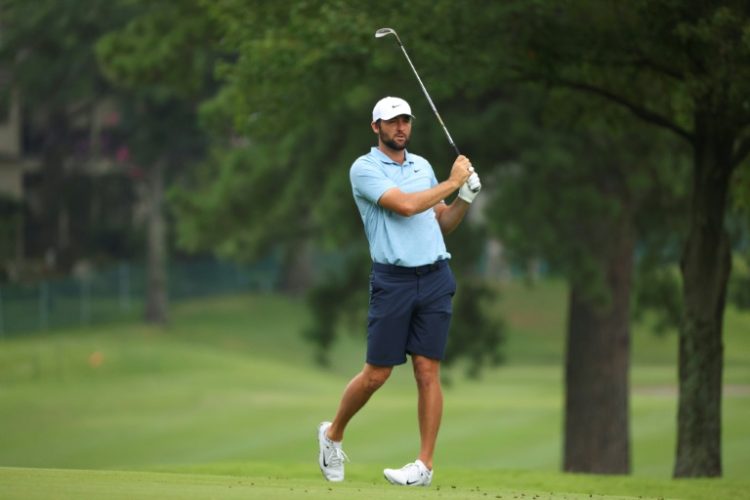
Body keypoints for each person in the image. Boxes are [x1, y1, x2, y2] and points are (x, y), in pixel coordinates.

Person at [317, 96, 481, 487]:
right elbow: (405, 206)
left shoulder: (422, 166)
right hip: (394, 281)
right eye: (391, 122)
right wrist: (453, 181)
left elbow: (440, 223)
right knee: (377, 374)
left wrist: (465, 197)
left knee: (428, 371)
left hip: (436, 275)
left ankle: (424, 465)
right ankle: (332, 433)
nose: (400, 127)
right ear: (376, 127)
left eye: (405, 120)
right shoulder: (365, 169)